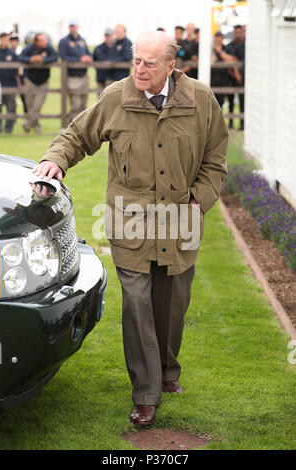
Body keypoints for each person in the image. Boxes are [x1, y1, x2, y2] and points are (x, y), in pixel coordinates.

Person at [32, 31, 229, 426]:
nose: (139, 68)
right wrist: (55, 160)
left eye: (149, 63)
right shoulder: (115, 97)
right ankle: (146, 393)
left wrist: (199, 200)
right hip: (130, 220)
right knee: (138, 305)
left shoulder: (201, 100)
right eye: (136, 60)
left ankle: (167, 371)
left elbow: (215, 157)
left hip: (181, 221)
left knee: (171, 305)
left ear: (171, 67)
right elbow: (77, 135)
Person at [18, 33, 57, 133]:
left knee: (37, 105)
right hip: (29, 80)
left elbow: (55, 57)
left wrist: (43, 60)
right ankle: (37, 126)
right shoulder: (29, 48)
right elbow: (20, 58)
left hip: (43, 81)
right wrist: (31, 59)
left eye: (45, 40)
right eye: (42, 40)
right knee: (30, 105)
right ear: (36, 42)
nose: (45, 42)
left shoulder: (48, 47)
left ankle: (27, 124)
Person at [58, 19, 92, 123]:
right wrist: (79, 59)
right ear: (69, 27)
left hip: (84, 76)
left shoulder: (82, 40)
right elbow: (64, 58)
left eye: (74, 26)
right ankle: (70, 126)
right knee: (75, 104)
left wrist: (88, 58)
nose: (73, 28)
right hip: (72, 77)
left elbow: (88, 54)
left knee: (83, 104)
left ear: (77, 27)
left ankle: (81, 129)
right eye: (71, 26)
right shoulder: (64, 41)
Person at [0, 32, 17, 133]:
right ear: (0, 39)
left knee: (10, 107)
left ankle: (9, 128)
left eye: (7, 39)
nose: (5, 41)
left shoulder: (12, 54)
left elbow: (17, 69)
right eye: (3, 39)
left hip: (10, 84)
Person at [211, 31, 237, 109]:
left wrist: (220, 52)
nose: (218, 41)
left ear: (222, 39)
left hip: (223, 80)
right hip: (212, 79)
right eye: (216, 39)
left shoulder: (227, 48)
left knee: (221, 103)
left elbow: (232, 60)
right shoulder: (210, 49)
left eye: (220, 39)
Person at [225, 25, 244, 129]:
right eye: (236, 32)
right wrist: (234, 74)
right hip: (231, 77)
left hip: (241, 78)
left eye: (240, 32)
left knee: (242, 101)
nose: (238, 34)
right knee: (230, 100)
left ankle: (242, 124)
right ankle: (230, 123)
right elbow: (229, 62)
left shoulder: (244, 46)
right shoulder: (229, 46)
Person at [93, 28, 115, 97]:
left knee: (110, 100)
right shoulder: (98, 48)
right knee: (100, 100)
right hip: (101, 78)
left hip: (112, 79)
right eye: (106, 35)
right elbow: (94, 61)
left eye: (109, 35)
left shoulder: (115, 48)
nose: (108, 37)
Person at [10, 32, 27, 113]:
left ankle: (27, 117)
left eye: (15, 40)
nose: (14, 42)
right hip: (11, 77)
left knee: (24, 97)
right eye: (12, 40)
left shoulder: (21, 50)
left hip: (20, 75)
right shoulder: (9, 51)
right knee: (11, 99)